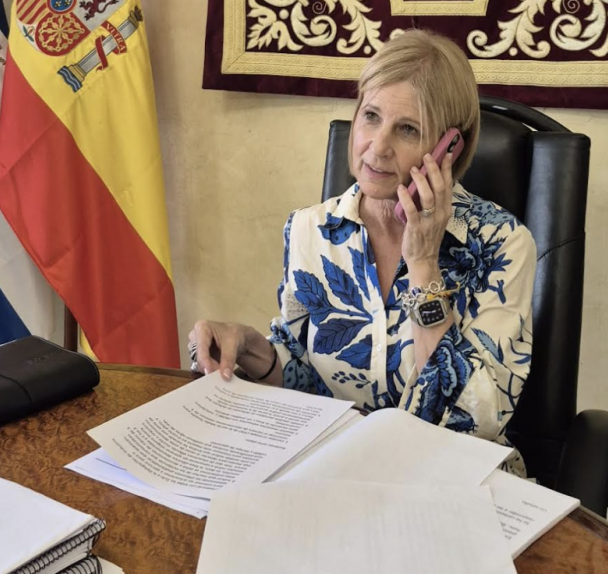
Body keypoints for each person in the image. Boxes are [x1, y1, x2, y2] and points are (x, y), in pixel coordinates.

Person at [189, 29, 536, 474]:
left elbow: (472, 422)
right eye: (371, 116)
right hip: (339, 471)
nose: (378, 146)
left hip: (454, 479)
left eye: (407, 129)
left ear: (449, 148)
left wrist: (424, 264)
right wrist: (253, 350)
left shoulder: (503, 244)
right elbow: (307, 380)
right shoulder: (310, 230)